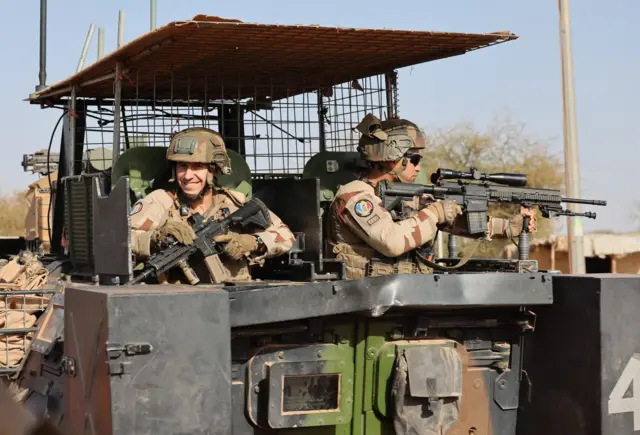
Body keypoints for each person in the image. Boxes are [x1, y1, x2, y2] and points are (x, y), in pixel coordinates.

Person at [328, 113, 537, 279]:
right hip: (362, 296)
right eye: (415, 159)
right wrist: (435, 212)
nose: (418, 167)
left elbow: (453, 221)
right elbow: (391, 241)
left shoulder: (404, 195)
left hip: (399, 293)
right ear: (394, 158)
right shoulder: (355, 196)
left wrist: (510, 227)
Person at [129, 127, 295, 283]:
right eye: (182, 166)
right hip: (177, 298)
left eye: (197, 166)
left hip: (235, 296)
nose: (188, 175)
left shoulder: (234, 203)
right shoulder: (161, 202)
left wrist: (252, 242)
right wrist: (155, 237)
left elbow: (286, 237)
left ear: (213, 170)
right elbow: (121, 240)